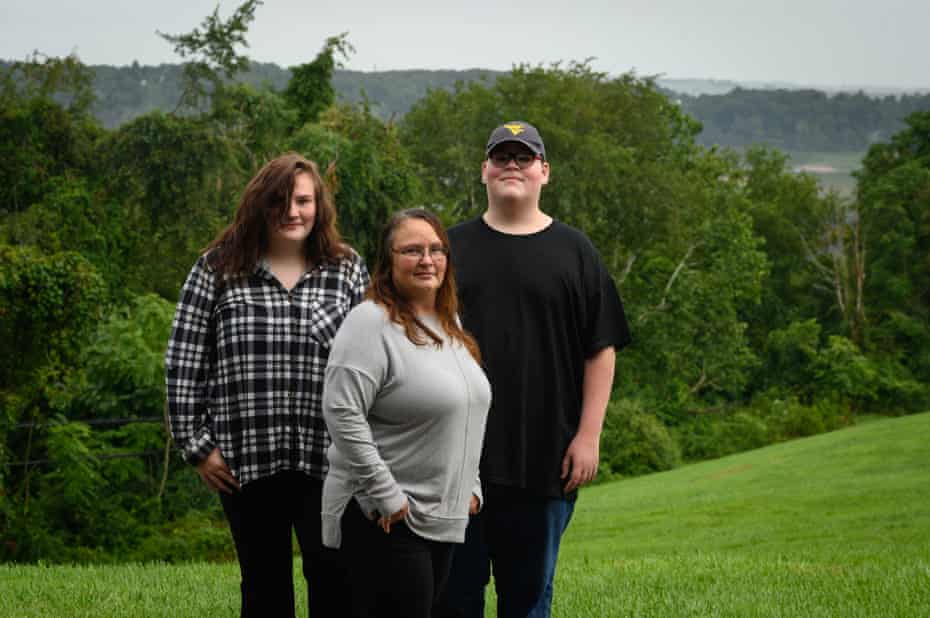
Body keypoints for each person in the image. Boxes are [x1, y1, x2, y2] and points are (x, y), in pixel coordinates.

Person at [439, 122, 632, 618]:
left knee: (527, 603)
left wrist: (588, 436)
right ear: (484, 170)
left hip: (545, 459)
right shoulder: (447, 250)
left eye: (524, 158)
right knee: (453, 602)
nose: (512, 166)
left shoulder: (575, 251)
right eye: (501, 156)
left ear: (544, 172)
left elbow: (601, 348)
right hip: (456, 461)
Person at [165, 152, 368, 617]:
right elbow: (183, 359)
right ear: (259, 203)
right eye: (279, 200)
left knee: (335, 580)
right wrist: (198, 447)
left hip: (331, 458)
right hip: (244, 460)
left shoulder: (347, 269)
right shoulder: (217, 268)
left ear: (319, 206)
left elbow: (371, 362)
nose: (292, 212)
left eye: (303, 200)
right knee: (263, 584)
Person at [321, 208, 491, 618]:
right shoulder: (369, 322)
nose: (427, 259)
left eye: (436, 249)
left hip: (441, 515)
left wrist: (473, 486)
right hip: (386, 517)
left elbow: (466, 410)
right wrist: (386, 495)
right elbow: (342, 410)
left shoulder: (448, 323)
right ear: (388, 260)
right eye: (412, 250)